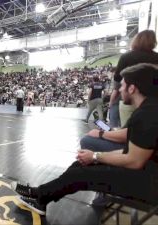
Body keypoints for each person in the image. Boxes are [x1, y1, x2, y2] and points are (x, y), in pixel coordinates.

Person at [11, 63, 158, 216]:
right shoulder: (149, 109)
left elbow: (134, 161)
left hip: (148, 185)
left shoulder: (146, 115)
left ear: (132, 88)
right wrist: (95, 158)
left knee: (79, 175)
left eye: (122, 86)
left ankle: (38, 195)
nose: (119, 90)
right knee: (78, 165)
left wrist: (95, 155)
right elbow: (132, 152)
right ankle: (40, 197)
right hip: (146, 173)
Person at [110, 30, 158, 127]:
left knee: (127, 130)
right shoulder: (156, 57)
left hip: (130, 98)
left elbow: (117, 81)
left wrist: (112, 101)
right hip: (153, 100)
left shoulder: (126, 57)